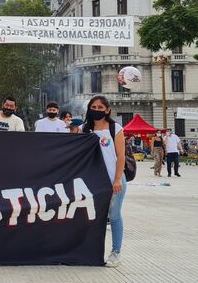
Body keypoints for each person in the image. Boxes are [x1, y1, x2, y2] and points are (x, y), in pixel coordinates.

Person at [81, 95, 126, 267]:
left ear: (107, 110)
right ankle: (89, 250)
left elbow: (121, 156)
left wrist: (117, 179)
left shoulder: (115, 128)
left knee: (114, 215)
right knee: (93, 216)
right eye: (94, 107)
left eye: (101, 108)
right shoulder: (85, 129)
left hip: (115, 179)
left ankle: (116, 252)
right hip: (93, 182)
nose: (97, 110)